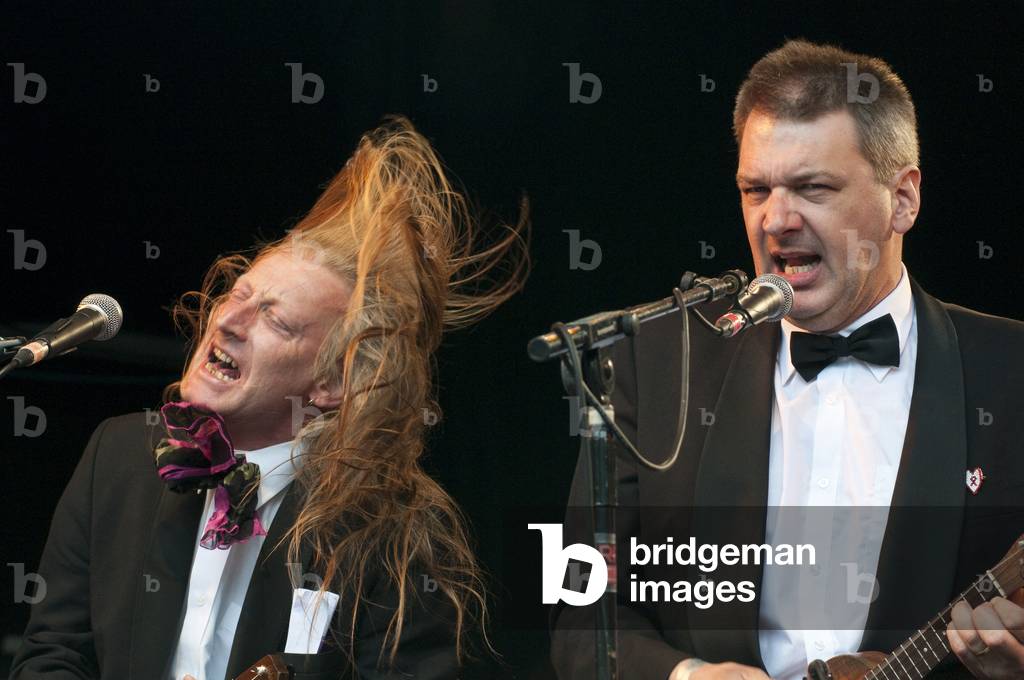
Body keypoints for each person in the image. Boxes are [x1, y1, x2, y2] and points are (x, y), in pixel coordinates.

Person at [551, 40, 1024, 680]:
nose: (775, 220)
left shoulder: (1011, 370)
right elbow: (578, 612)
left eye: (813, 187)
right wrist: (687, 676)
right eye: (756, 189)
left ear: (903, 199)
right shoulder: (651, 364)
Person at [10, 116, 528, 680]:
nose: (228, 321)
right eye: (238, 296)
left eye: (274, 320)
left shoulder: (396, 534)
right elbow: (53, 655)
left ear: (331, 384)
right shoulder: (119, 456)